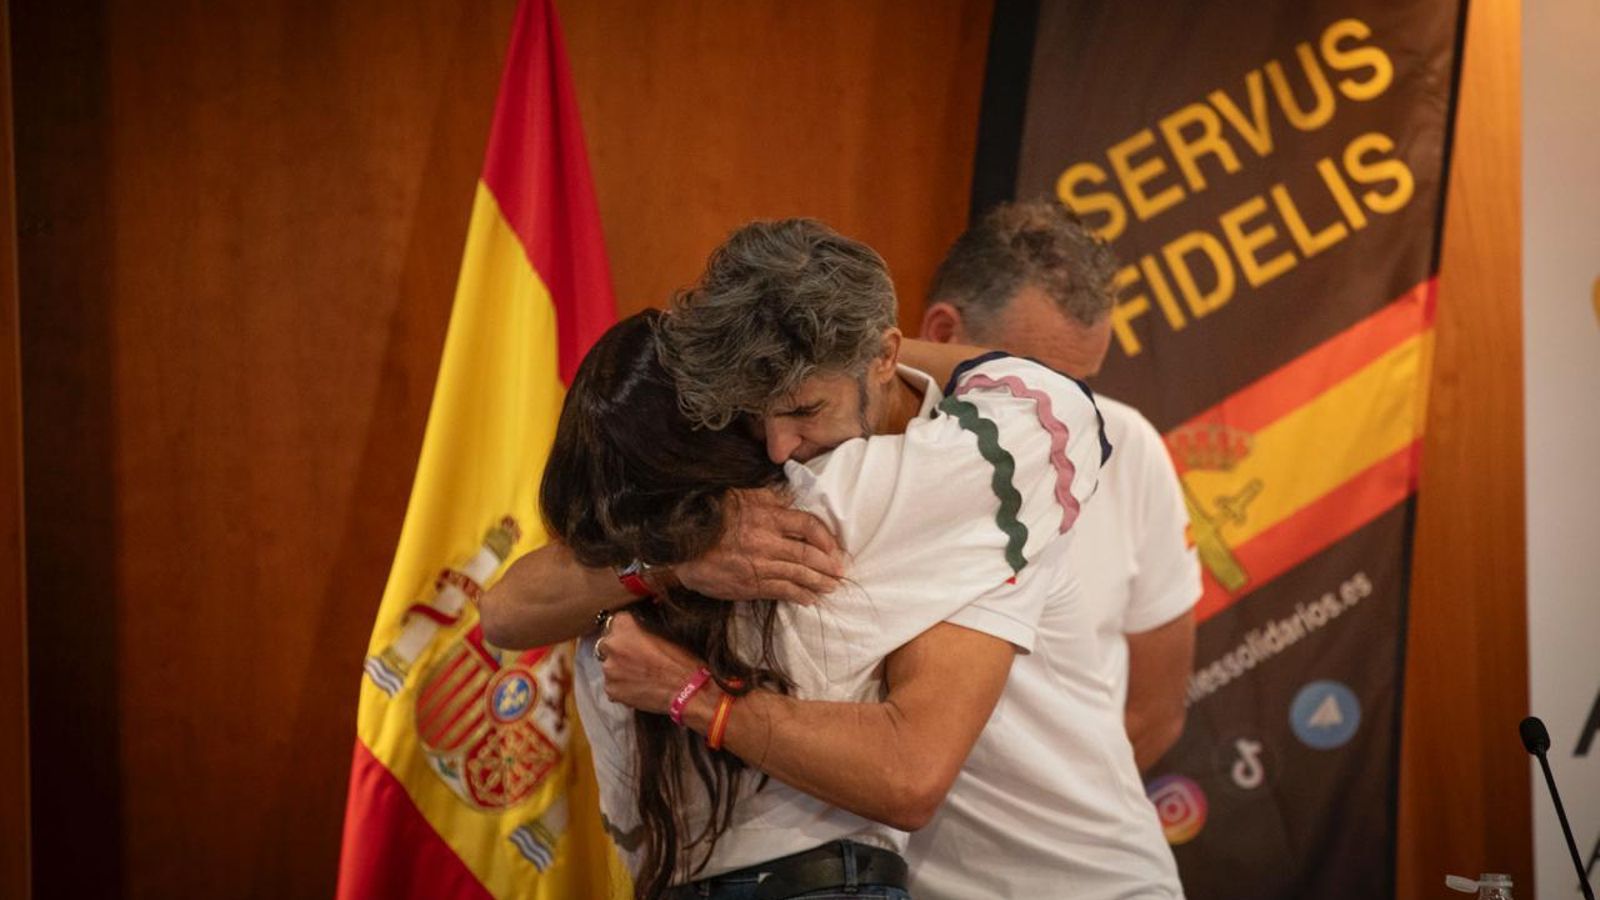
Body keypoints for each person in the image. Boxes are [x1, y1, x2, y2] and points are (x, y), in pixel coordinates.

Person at [483, 220, 1113, 898]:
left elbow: (908, 777)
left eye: (806, 408)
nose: (781, 447)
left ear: (884, 354)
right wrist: (675, 557)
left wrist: (691, 689)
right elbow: (1058, 406)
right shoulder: (740, 503)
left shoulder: (891, 488)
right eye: (756, 418)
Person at [919, 197, 1201, 772]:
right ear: (943, 335)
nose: (1070, 424)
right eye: (1036, 388)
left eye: (1085, 388)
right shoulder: (846, 453)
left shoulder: (1128, 447)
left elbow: (1157, 710)